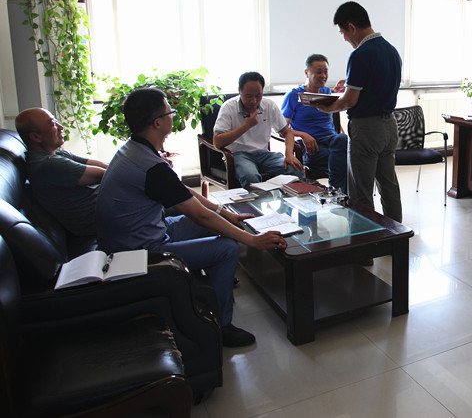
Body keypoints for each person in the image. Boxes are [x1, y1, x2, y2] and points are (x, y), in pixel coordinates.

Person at [96, 87, 288, 347]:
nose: (173, 116)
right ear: (157, 123)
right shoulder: (151, 166)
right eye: (170, 112)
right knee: (228, 248)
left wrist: (223, 212)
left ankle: (216, 282)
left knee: (218, 226)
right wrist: (252, 240)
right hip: (141, 250)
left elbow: (183, 192)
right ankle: (221, 327)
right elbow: (200, 216)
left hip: (148, 231)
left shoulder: (134, 150)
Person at [316, 1, 402, 223]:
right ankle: (397, 236)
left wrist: (327, 107)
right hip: (389, 125)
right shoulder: (392, 51)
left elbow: (350, 101)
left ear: (352, 27)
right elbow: (374, 88)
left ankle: (365, 244)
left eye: (343, 33)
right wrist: (349, 87)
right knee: (389, 186)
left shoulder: (360, 55)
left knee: (361, 191)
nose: (345, 38)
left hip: (367, 129)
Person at [14, 108, 108, 237]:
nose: (61, 127)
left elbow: (105, 166)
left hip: (109, 206)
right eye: (53, 124)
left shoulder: (56, 154)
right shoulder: (48, 165)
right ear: (36, 137)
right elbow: (107, 176)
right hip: (102, 220)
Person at [213, 71, 303, 189]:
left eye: (258, 95)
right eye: (248, 96)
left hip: (264, 154)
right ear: (239, 91)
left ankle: (289, 200)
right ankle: (256, 201)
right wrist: (246, 126)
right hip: (238, 155)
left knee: (296, 169)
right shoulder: (229, 107)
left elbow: (288, 133)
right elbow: (217, 142)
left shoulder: (269, 105)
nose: (254, 101)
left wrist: (289, 154)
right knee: (250, 177)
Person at [280, 54, 349, 192]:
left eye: (325, 72)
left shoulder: (326, 91)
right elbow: (281, 129)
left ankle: (336, 190)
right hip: (312, 147)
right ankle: (340, 192)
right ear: (307, 72)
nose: (323, 75)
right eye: (319, 72)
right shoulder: (294, 95)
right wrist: (303, 135)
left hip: (332, 141)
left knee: (343, 140)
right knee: (343, 161)